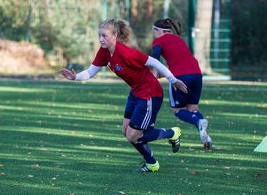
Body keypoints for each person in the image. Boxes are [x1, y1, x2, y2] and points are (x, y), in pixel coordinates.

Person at [60, 18, 188, 173]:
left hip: (149, 93)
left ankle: (172, 134)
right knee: (126, 132)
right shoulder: (104, 52)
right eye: (99, 35)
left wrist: (173, 80)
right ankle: (152, 163)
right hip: (135, 92)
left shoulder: (126, 53)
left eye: (105, 35)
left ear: (115, 36)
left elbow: (155, 62)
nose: (101, 39)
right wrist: (75, 77)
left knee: (133, 136)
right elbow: (90, 72)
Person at [150, 18, 212, 149]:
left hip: (180, 78)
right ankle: (206, 137)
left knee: (177, 110)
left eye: (153, 31)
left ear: (158, 31)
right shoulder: (178, 39)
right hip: (196, 74)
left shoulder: (159, 40)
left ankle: (199, 122)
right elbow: (177, 60)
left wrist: (153, 77)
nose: (153, 34)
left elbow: (154, 58)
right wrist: (161, 73)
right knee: (192, 109)